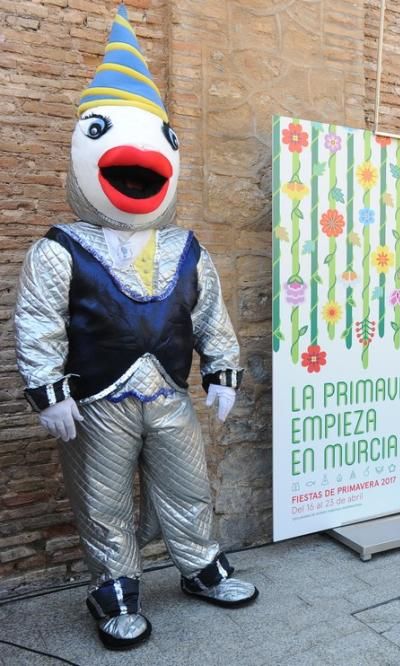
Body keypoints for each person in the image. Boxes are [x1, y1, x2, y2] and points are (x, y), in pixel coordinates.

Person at [12, 5, 256, 650]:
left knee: (187, 483)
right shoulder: (60, 248)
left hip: (169, 395)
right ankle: (113, 586)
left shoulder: (186, 248)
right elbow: (38, 321)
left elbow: (209, 313)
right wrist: (47, 387)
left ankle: (200, 564)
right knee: (104, 498)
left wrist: (222, 369)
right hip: (96, 400)